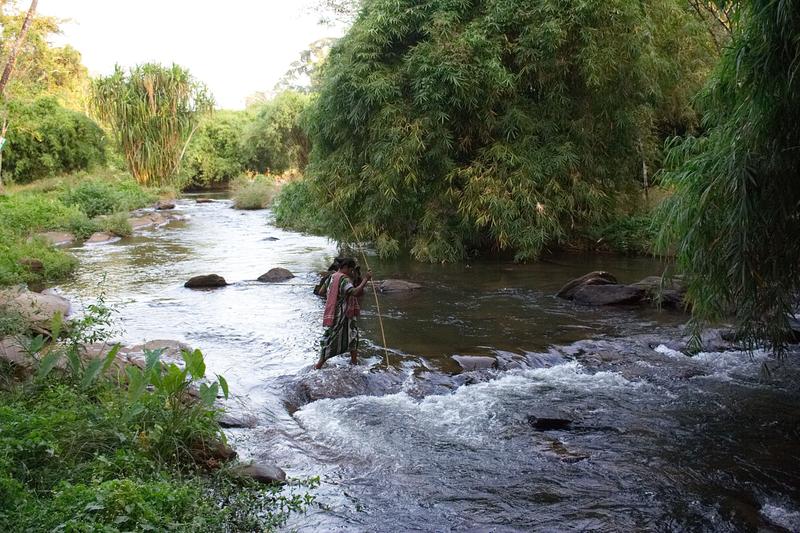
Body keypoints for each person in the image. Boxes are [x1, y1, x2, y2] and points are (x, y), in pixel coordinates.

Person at [315, 257, 372, 369]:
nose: (351, 272)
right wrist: (366, 279)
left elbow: (321, 292)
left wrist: (333, 294)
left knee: (350, 335)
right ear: (346, 267)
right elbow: (354, 292)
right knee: (342, 337)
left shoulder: (331, 276)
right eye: (351, 269)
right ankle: (318, 365)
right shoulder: (344, 279)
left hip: (336, 313)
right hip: (343, 314)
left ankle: (354, 362)